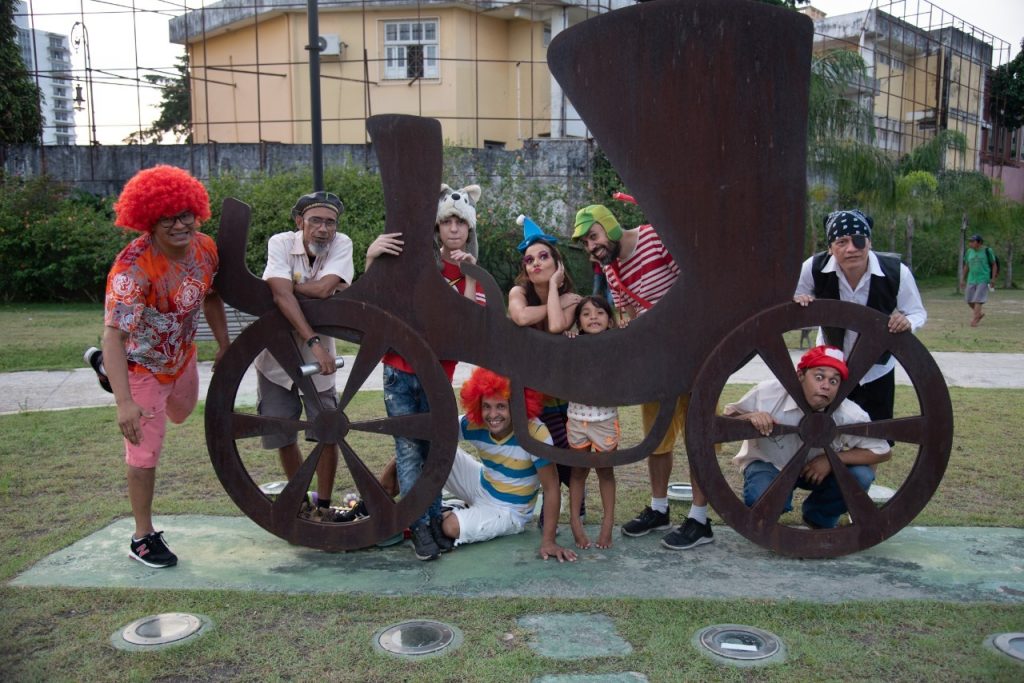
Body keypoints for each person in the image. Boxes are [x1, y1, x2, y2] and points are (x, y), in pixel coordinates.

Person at [99, 165, 230, 568]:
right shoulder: (132, 270)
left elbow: (211, 295)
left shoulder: (205, 248)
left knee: (182, 412)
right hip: (140, 365)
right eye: (166, 218)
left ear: (196, 212)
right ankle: (142, 536)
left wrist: (224, 344)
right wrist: (124, 402)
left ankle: (105, 371)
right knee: (144, 450)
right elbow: (114, 337)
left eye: (185, 215)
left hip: (181, 357)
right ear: (148, 222)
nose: (179, 225)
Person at [572, 203, 713, 551]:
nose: (592, 247)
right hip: (657, 362)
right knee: (657, 437)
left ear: (609, 226)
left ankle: (700, 518)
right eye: (586, 243)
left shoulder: (656, 238)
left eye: (593, 236)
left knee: (698, 436)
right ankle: (659, 508)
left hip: (694, 353)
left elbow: (695, 286)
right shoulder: (612, 270)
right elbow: (632, 313)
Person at [365, 183, 484, 561]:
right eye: (447, 222)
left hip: (438, 376)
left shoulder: (473, 273)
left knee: (434, 453)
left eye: (460, 223)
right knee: (408, 452)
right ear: (436, 228)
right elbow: (376, 297)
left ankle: (431, 520)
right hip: (400, 371)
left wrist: (469, 275)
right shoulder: (416, 264)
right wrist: (370, 257)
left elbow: (466, 326)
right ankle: (418, 526)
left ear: (469, 228)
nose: (454, 229)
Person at [254, 191, 354, 521]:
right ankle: (301, 501)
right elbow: (288, 295)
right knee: (283, 430)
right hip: (276, 358)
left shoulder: (342, 243)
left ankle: (323, 506)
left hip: (321, 358)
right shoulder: (280, 243)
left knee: (328, 430)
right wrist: (313, 340)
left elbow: (321, 289)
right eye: (315, 221)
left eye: (330, 222)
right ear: (300, 222)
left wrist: (287, 287)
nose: (324, 229)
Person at [725, 346, 891, 529]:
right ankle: (766, 520)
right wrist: (749, 417)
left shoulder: (849, 413)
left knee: (861, 476)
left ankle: (820, 519)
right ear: (800, 375)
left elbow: (882, 451)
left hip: (816, 472)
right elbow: (725, 421)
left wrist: (831, 460)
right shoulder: (768, 393)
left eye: (834, 381)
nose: (826, 386)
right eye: (819, 377)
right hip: (769, 466)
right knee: (761, 498)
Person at [794, 209, 927, 423]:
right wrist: (800, 301)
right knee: (827, 425)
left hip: (877, 369)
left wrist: (907, 321)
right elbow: (793, 298)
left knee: (879, 429)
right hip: (831, 366)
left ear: (869, 243)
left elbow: (916, 311)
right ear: (830, 248)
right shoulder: (813, 268)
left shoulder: (896, 272)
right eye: (842, 242)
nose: (851, 249)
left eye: (859, 240)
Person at [436, 367, 577, 562]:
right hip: (481, 484)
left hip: (509, 511)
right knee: (430, 450)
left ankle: (450, 511)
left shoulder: (534, 433)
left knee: (450, 527)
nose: (493, 415)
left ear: (516, 405)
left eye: (501, 406)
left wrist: (549, 541)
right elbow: (436, 432)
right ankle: (453, 509)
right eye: (486, 406)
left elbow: (551, 488)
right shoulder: (476, 423)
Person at [507, 214, 583, 527]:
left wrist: (555, 291)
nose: (536, 263)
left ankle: (574, 506)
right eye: (529, 260)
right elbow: (521, 317)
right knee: (545, 450)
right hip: (532, 389)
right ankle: (550, 505)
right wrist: (558, 297)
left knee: (571, 448)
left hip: (566, 387)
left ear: (557, 262)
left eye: (543, 257)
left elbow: (556, 325)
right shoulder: (518, 292)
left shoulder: (572, 298)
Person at [566, 295, 619, 549]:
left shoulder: (615, 343)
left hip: (605, 421)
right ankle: (575, 522)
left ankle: (608, 523)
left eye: (599, 312)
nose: (593, 317)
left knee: (605, 471)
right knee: (578, 471)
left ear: (610, 320)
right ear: (578, 322)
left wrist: (625, 328)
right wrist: (567, 338)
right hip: (576, 420)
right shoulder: (573, 345)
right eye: (586, 314)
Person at [963, 233, 998, 327]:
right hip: (971, 279)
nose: (970, 243)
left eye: (973, 241)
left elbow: (994, 264)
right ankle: (979, 314)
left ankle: (975, 320)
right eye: (970, 241)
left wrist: (993, 279)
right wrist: (963, 279)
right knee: (969, 300)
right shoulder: (969, 252)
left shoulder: (987, 251)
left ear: (979, 243)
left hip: (983, 278)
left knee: (978, 300)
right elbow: (966, 265)